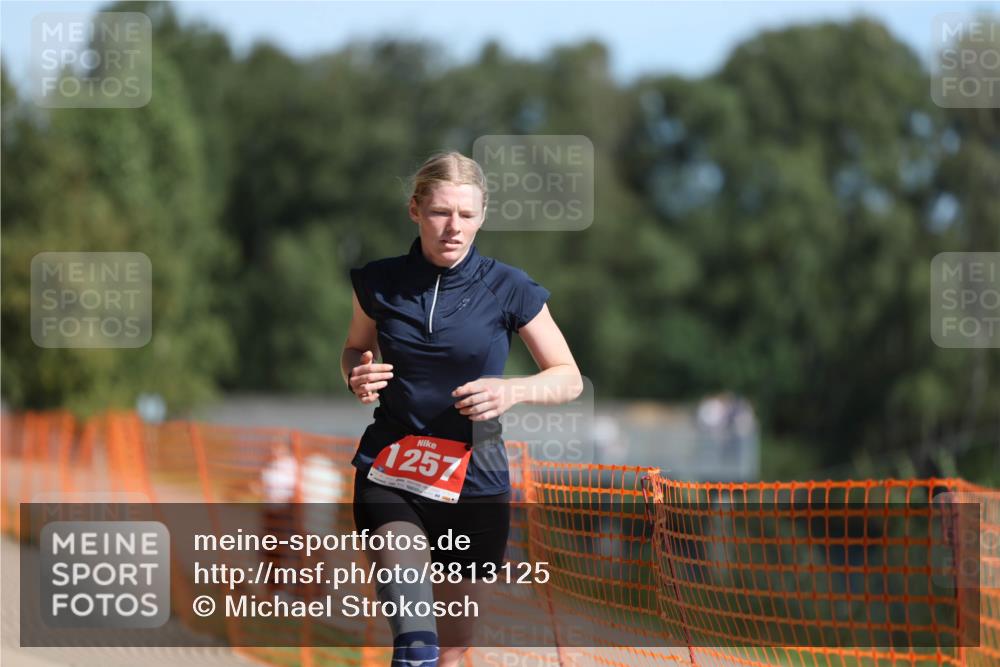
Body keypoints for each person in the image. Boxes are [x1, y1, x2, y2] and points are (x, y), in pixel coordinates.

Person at [341, 150, 583, 667]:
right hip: (392, 472)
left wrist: (511, 391)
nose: (454, 227)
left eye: (467, 215)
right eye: (440, 213)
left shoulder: (509, 287)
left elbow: (569, 378)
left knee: (452, 651)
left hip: (477, 478)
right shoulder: (378, 283)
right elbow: (353, 350)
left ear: (482, 216)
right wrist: (356, 373)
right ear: (415, 210)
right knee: (417, 646)